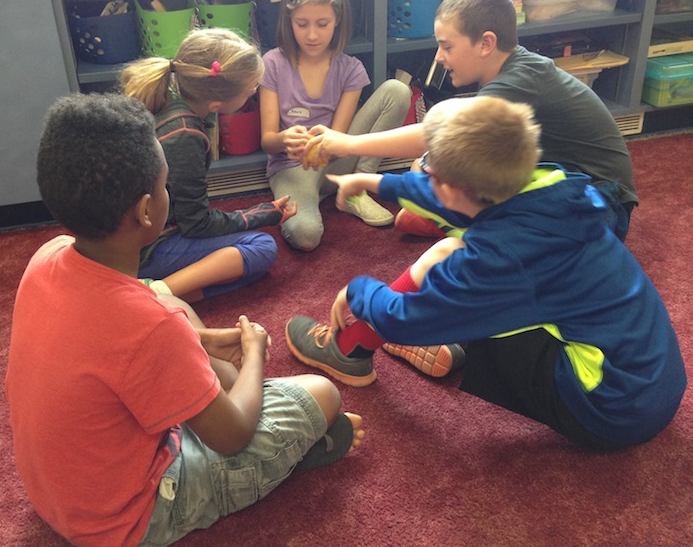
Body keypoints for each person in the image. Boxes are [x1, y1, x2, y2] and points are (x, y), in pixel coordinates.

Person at [6, 93, 365, 547]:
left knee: (179, 314)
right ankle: (290, 459)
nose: (167, 193)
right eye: (164, 186)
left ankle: (236, 407)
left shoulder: (48, 255)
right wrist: (254, 353)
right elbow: (232, 436)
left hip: (62, 495)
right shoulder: (150, 327)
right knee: (321, 393)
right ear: (146, 210)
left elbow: (124, 329)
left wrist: (200, 341)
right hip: (131, 517)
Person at [285, 95, 686, 451]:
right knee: (452, 250)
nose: (424, 174)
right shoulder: (547, 183)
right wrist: (376, 182)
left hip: (609, 408)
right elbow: (464, 197)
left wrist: (358, 291)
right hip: (652, 380)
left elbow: (406, 318)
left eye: (429, 170)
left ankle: (357, 347)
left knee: (458, 284)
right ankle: (433, 344)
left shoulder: (501, 255)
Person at [305, 0, 638, 243]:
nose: (438, 56)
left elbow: (433, 135)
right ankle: (457, 217)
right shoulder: (512, 71)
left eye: (446, 46)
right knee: (428, 167)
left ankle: (470, 229)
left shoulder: (519, 82)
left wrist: (346, 144)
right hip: (564, 181)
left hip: (600, 204)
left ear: (485, 43)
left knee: (483, 247)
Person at [120, 28, 296, 302]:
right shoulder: (186, 136)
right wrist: (263, 214)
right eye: (250, 90)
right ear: (216, 104)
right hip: (146, 249)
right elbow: (196, 224)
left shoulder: (170, 97)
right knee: (261, 247)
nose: (253, 94)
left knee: (241, 265)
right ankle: (154, 293)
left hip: (136, 236)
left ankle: (171, 288)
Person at [259, 0, 412, 251]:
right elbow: (267, 142)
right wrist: (283, 139)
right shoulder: (272, 64)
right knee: (306, 235)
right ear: (288, 20)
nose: (312, 35)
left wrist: (325, 146)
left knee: (397, 90)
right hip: (291, 169)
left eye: (322, 24)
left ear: (337, 19)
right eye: (302, 24)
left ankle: (357, 185)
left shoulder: (350, 69)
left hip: (336, 159)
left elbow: (339, 139)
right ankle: (314, 198)